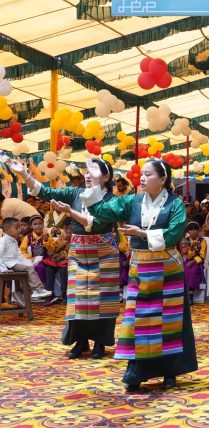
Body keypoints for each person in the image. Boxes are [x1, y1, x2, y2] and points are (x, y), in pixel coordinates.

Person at [55, 159, 197, 392]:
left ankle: (169, 371)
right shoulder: (133, 200)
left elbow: (173, 234)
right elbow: (102, 211)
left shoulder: (176, 204)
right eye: (142, 174)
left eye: (148, 174)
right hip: (140, 268)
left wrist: (142, 233)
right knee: (137, 322)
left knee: (168, 323)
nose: (142, 178)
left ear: (163, 179)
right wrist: (96, 183)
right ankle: (136, 372)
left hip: (168, 269)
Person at [9, 157, 120, 360]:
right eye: (86, 171)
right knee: (78, 298)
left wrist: (70, 212)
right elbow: (45, 192)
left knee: (102, 299)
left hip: (104, 252)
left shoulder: (111, 200)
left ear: (106, 177)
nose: (88, 175)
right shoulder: (75, 193)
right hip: (79, 251)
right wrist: (24, 174)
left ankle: (100, 341)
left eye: (93, 171)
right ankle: (80, 340)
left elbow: (94, 223)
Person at [0, 218, 52, 302]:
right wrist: (3, 269)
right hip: (8, 264)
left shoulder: (14, 240)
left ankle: (27, 294)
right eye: (16, 228)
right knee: (28, 268)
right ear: (6, 230)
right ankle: (37, 289)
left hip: (14, 263)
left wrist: (28, 262)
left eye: (19, 227)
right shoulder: (3, 241)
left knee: (30, 266)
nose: (19, 230)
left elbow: (19, 255)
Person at [43, 223, 71, 305]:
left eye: (69, 229)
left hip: (66, 260)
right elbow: (51, 249)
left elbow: (67, 251)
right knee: (48, 269)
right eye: (66, 229)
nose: (68, 231)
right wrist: (47, 241)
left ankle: (65, 295)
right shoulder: (52, 239)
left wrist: (64, 242)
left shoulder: (70, 239)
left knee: (64, 270)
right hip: (54, 260)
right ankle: (49, 295)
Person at [181, 221, 207, 302]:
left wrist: (192, 262)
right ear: (188, 231)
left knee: (194, 270)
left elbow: (202, 255)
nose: (193, 231)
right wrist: (191, 248)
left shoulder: (202, 241)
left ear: (198, 230)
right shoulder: (185, 240)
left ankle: (190, 293)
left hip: (198, 261)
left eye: (195, 229)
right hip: (187, 260)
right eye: (191, 230)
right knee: (184, 270)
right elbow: (187, 255)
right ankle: (184, 292)